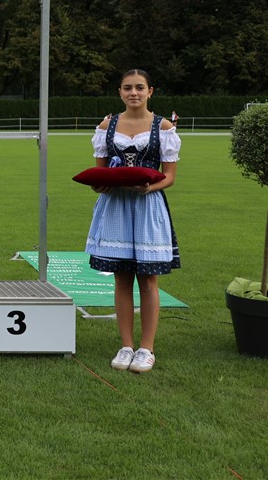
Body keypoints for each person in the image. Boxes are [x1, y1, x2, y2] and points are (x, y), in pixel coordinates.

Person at [86, 69, 181, 374]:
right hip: (115, 206)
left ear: (150, 91)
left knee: (149, 279)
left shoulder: (163, 127)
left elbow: (169, 177)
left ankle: (146, 348)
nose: (134, 93)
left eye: (140, 87)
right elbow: (100, 171)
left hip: (147, 206)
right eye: (128, 88)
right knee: (122, 277)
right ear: (120, 92)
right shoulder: (107, 125)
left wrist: (147, 188)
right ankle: (126, 346)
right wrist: (99, 185)